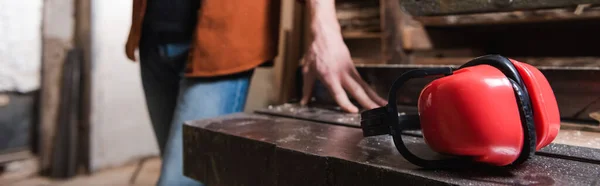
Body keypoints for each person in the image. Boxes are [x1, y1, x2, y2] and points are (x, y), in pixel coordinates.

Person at [125, 0, 387, 185]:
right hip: (152, 35)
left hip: (224, 36)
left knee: (179, 178)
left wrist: (325, 27)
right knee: (191, 169)